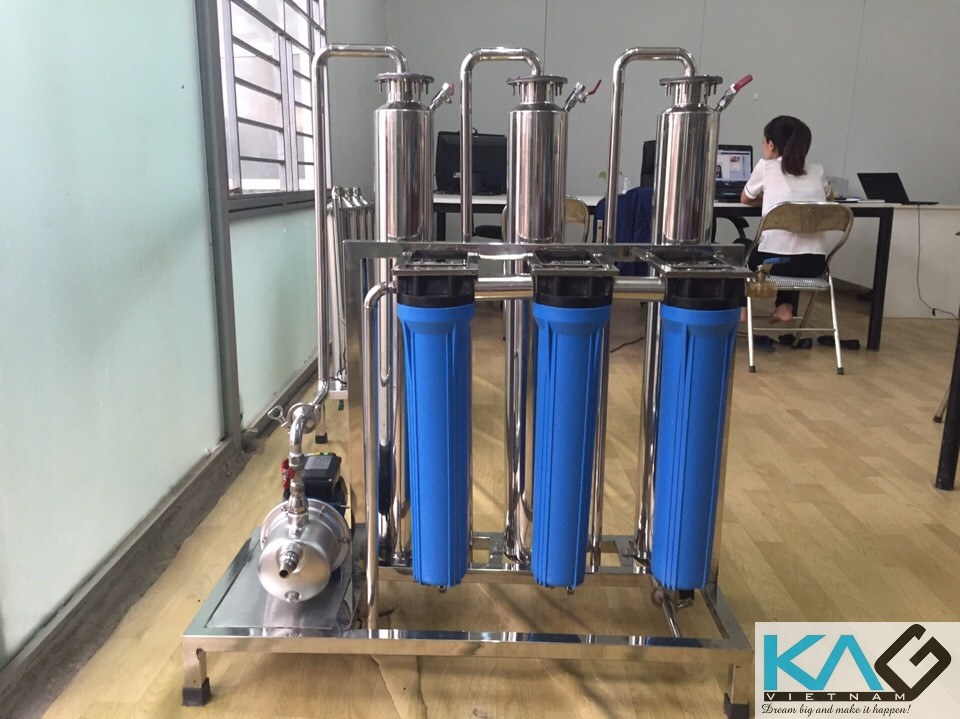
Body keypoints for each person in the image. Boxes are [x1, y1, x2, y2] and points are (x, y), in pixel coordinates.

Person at [740, 115, 830, 322]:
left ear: (771, 144)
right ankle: (784, 306)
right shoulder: (816, 170)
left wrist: (773, 202)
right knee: (790, 248)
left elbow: (745, 198)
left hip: (773, 264)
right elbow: (829, 198)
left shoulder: (766, 167)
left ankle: (741, 308)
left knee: (741, 246)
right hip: (814, 264)